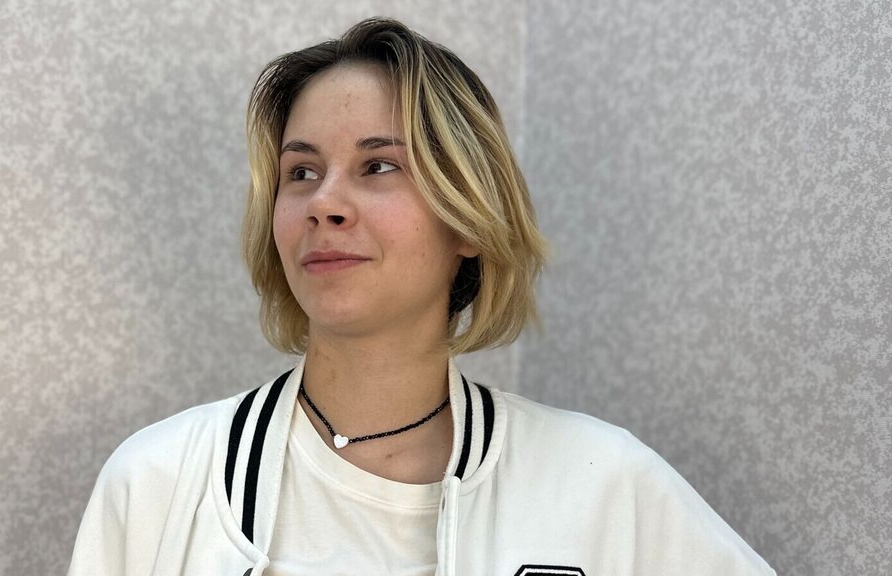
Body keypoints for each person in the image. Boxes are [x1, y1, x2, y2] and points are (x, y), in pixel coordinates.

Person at [67, 17, 775, 576]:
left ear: (467, 217)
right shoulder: (157, 483)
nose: (324, 204)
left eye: (378, 165)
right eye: (301, 172)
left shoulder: (602, 484)